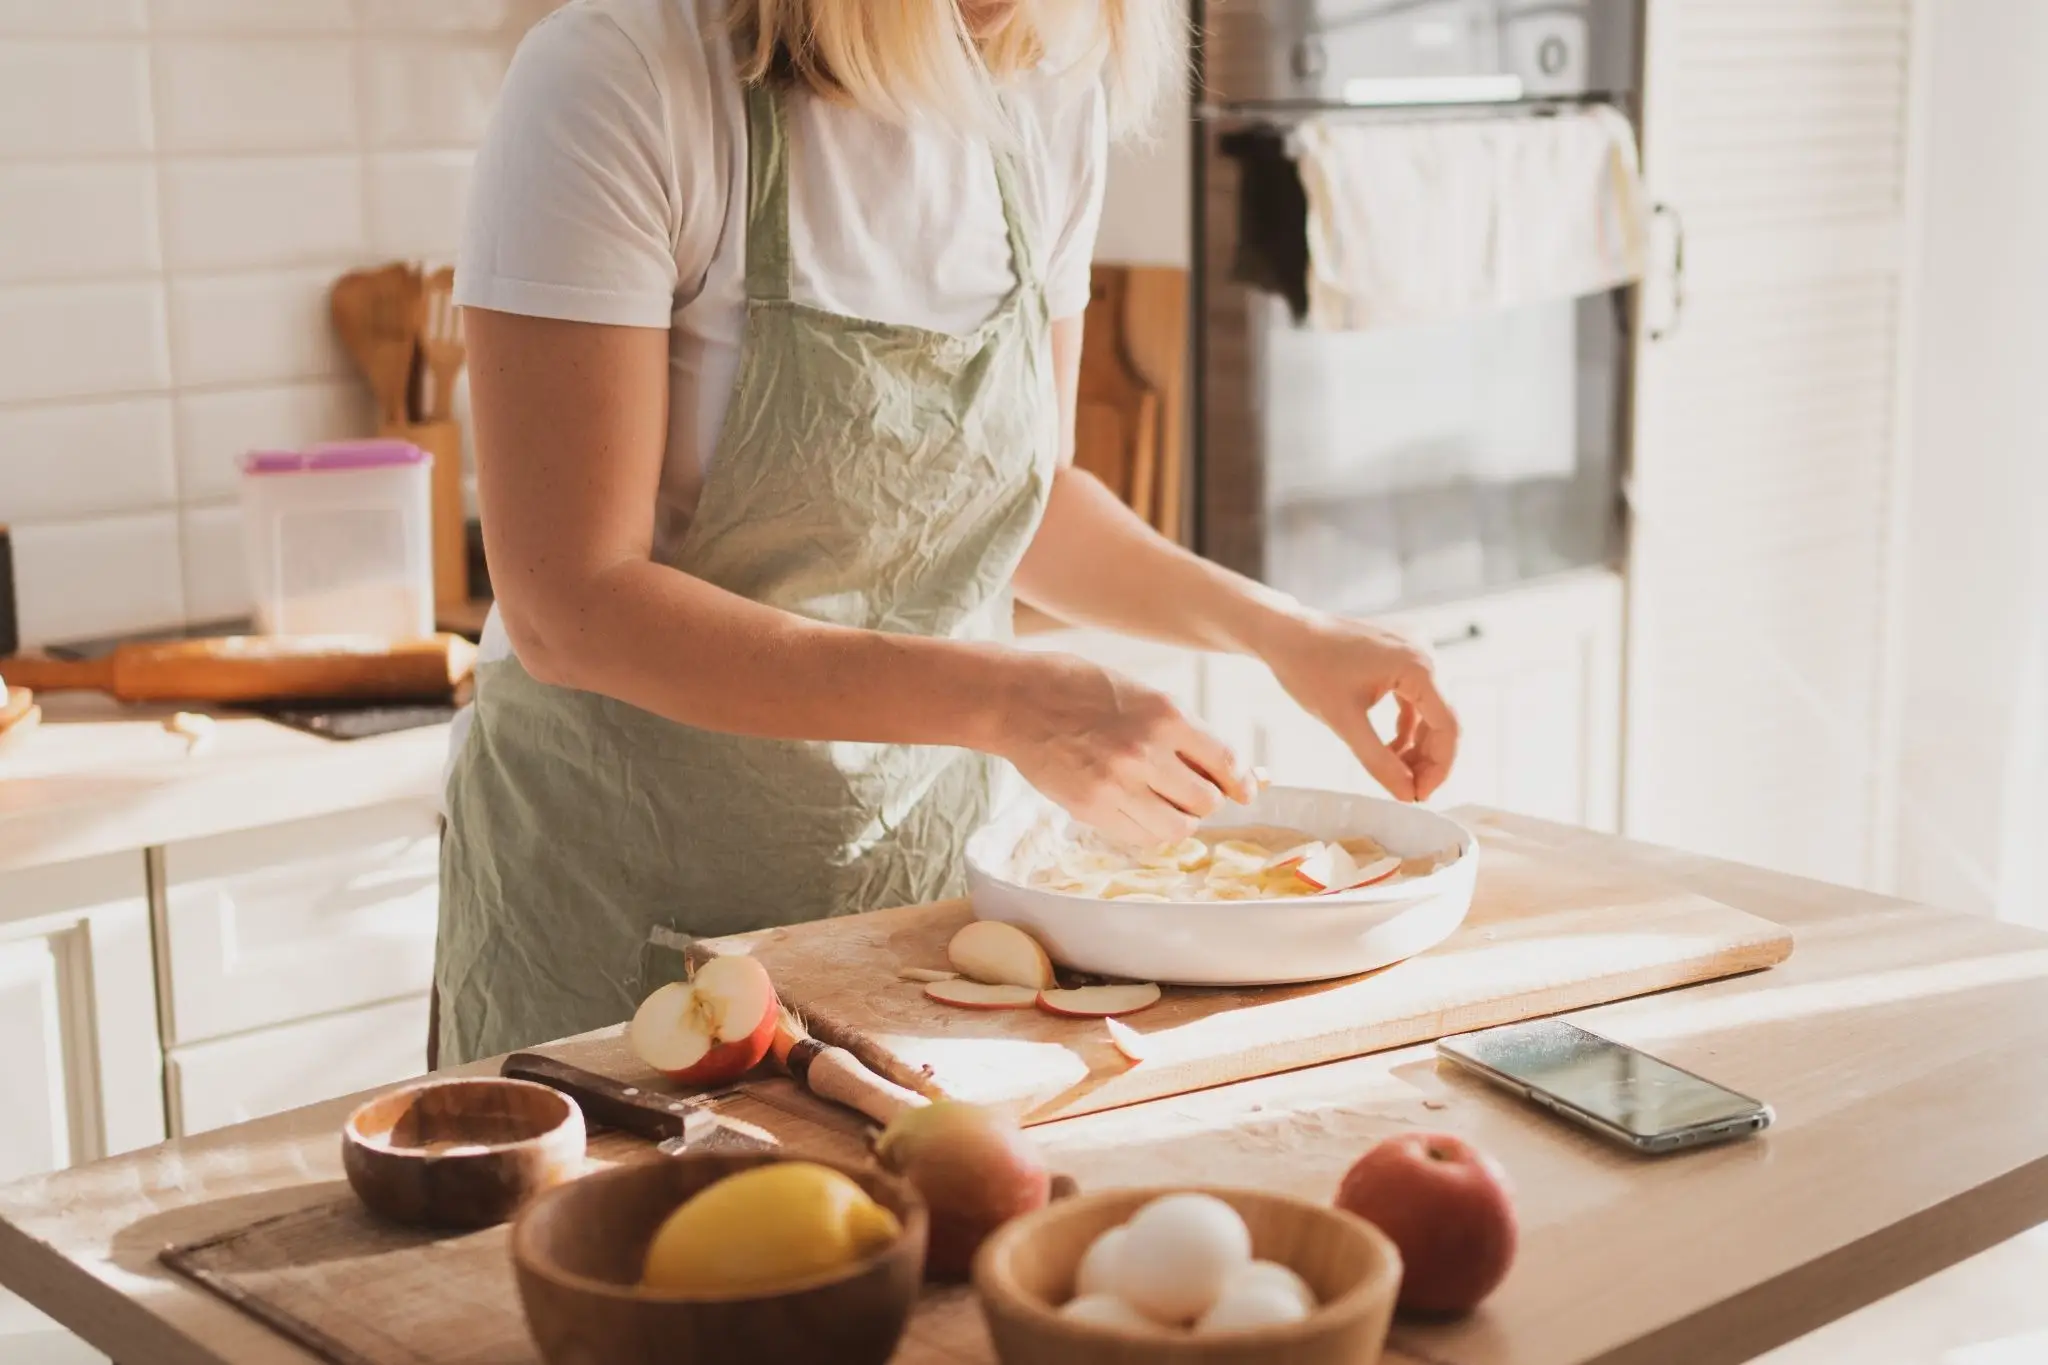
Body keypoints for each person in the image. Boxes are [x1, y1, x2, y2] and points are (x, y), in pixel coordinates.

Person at [433, 0, 1459, 1067]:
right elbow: (571, 606)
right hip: (622, 906)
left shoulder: (1045, 93)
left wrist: (1283, 632)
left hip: (919, 904)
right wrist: (1014, 701)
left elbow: (1024, 498)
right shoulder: (623, 77)